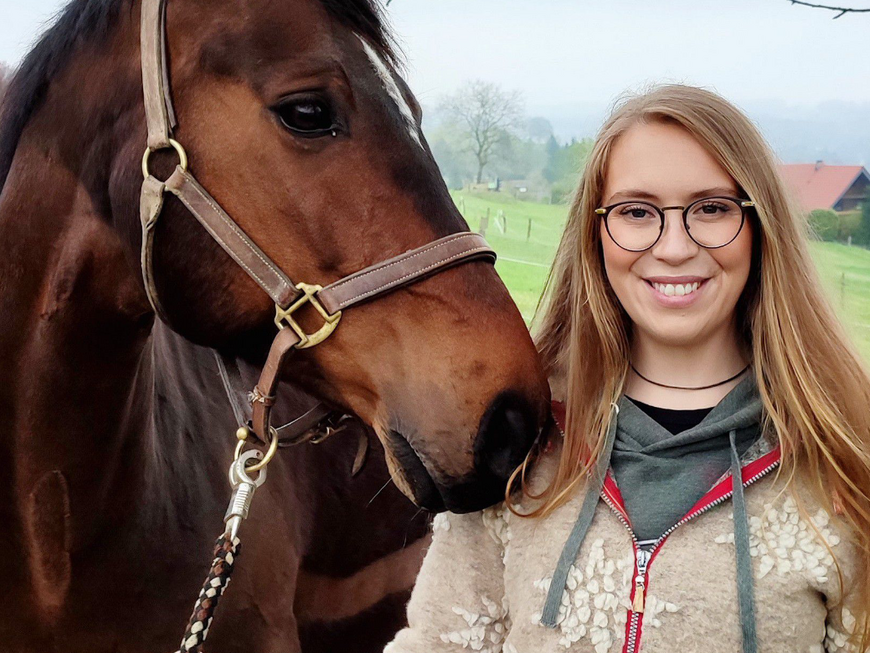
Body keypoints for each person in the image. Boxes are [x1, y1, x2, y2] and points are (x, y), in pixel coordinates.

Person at [383, 84, 870, 653]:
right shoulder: (520, 437)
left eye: (711, 209)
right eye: (636, 212)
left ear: (761, 229)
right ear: (596, 235)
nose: (673, 246)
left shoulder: (846, 457)